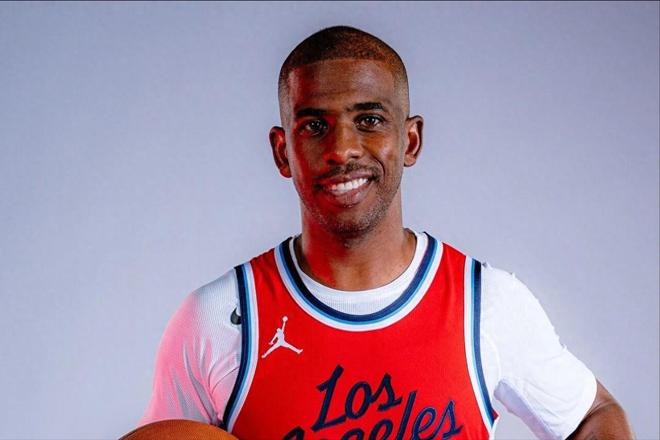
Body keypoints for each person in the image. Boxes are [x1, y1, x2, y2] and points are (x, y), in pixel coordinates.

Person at [138, 26, 634, 439]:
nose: (342, 149)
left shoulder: (485, 303)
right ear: (282, 151)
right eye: (314, 126)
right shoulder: (218, 320)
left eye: (369, 120)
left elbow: (592, 416)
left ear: (410, 140)